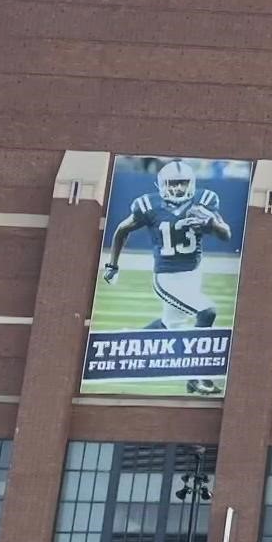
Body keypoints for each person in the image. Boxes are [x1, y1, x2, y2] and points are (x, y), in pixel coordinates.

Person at [100, 159, 231, 396]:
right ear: (162, 184)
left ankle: (125, 343)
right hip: (167, 277)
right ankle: (197, 377)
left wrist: (210, 223)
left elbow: (226, 234)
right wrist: (112, 264)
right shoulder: (148, 205)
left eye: (182, 184)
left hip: (193, 273)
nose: (178, 189)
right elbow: (121, 230)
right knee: (207, 311)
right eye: (173, 184)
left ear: (191, 183)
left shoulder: (204, 202)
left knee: (170, 325)